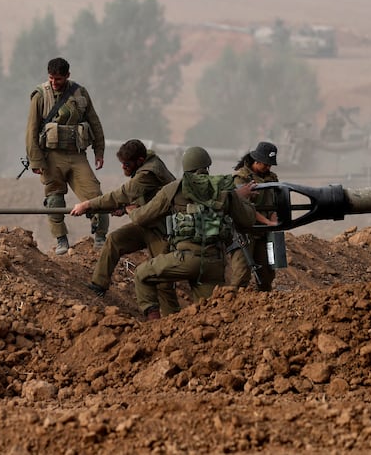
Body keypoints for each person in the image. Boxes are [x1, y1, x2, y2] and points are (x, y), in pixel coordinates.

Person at [128, 147, 256, 319]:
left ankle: (154, 327)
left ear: (185, 167)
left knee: (142, 274)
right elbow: (247, 220)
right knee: (208, 315)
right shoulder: (224, 189)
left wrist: (130, 210)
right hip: (214, 264)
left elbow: (141, 218)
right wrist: (240, 198)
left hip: (185, 259)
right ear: (207, 166)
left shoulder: (173, 189)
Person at [70, 139, 181, 315]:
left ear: (139, 160)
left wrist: (87, 205)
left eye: (127, 164)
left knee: (163, 280)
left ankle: (173, 320)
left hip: (162, 230)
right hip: (146, 223)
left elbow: (123, 193)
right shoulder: (145, 165)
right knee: (115, 240)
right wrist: (124, 208)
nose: (123, 168)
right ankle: (98, 285)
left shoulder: (148, 172)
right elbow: (144, 195)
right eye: (122, 164)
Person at [26, 57, 108, 255]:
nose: (55, 83)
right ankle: (61, 239)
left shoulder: (80, 93)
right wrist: (36, 161)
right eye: (51, 78)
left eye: (59, 79)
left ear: (68, 76)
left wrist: (99, 150)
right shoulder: (40, 96)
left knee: (96, 196)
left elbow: (94, 122)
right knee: (54, 199)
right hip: (52, 157)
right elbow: (32, 130)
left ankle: (100, 236)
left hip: (77, 155)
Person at [228, 141, 279, 291]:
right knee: (241, 274)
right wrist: (267, 222)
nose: (268, 168)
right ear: (256, 161)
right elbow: (244, 207)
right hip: (245, 232)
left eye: (270, 165)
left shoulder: (272, 178)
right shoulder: (241, 178)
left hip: (264, 233)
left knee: (267, 274)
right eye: (265, 164)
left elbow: (275, 201)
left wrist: (273, 219)